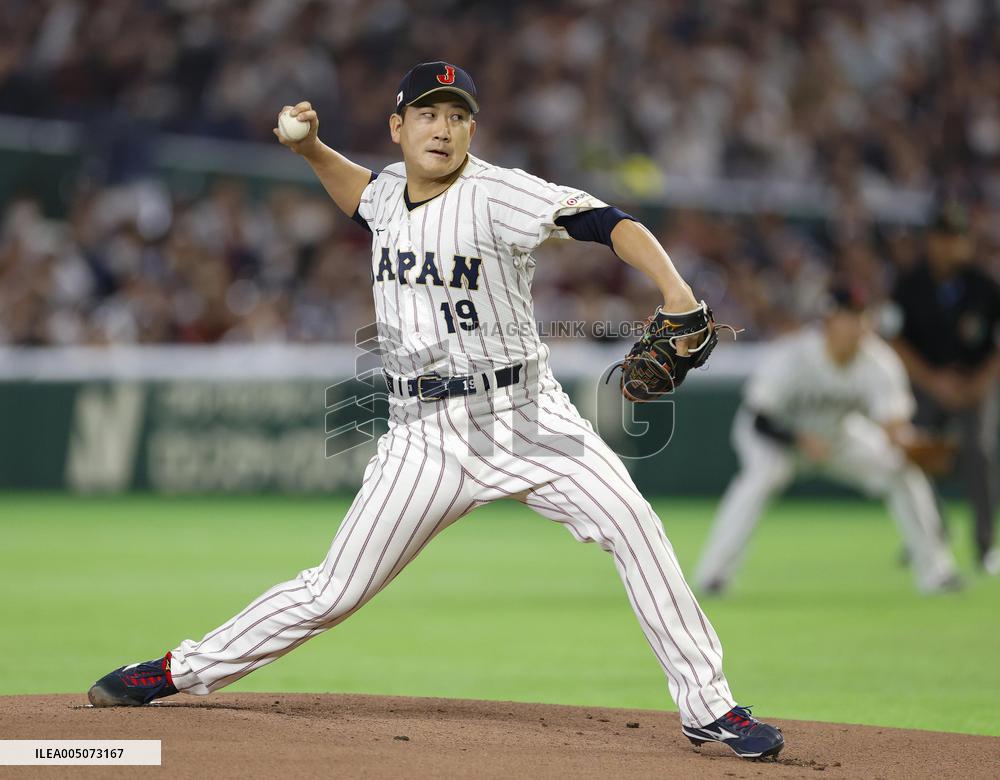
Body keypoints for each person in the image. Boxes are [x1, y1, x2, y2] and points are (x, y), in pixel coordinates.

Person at [87, 62, 784, 760]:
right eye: (427, 113)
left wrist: (676, 289)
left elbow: (608, 221)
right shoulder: (389, 192)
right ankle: (178, 670)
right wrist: (308, 151)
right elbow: (358, 195)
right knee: (333, 591)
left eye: (456, 116)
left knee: (633, 525)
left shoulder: (498, 193)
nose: (442, 128)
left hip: (526, 416)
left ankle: (709, 706)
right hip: (422, 435)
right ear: (398, 128)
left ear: (471, 129)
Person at [695, 284, 961, 595]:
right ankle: (713, 574)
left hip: (838, 437)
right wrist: (798, 439)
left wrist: (907, 443)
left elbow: (893, 424)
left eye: (862, 316)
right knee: (761, 479)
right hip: (775, 437)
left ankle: (937, 573)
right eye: (849, 316)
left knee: (901, 471)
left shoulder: (878, 361)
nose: (857, 324)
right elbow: (760, 417)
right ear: (829, 320)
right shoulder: (794, 355)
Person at [888, 204, 1000, 575]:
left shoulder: (985, 287)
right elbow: (897, 341)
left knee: (980, 454)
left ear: (966, 242)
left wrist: (978, 383)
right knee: (913, 453)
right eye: (941, 238)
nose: (948, 246)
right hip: (927, 384)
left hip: (974, 385)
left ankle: (985, 546)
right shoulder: (910, 285)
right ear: (930, 241)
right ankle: (931, 534)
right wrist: (934, 381)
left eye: (955, 238)